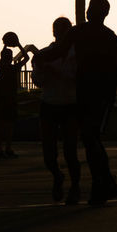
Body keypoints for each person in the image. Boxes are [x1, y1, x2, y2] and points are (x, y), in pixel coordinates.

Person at [71, 0, 117, 205]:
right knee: (91, 140)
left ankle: (102, 183)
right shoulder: (109, 38)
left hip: (94, 96)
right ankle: (103, 183)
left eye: (91, 8)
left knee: (91, 139)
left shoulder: (88, 34)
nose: (88, 11)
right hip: (92, 95)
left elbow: (59, 50)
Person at [32, 16, 82, 203]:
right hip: (49, 104)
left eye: (64, 30)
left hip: (70, 105)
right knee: (48, 154)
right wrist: (43, 71)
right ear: (53, 32)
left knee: (70, 151)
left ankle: (75, 187)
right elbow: (37, 81)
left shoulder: (77, 55)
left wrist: (58, 73)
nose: (60, 34)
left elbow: (78, 78)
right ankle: (57, 175)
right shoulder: (45, 54)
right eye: (58, 30)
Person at [0, 36, 34, 158]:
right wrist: (19, 45)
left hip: (1, 98)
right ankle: (8, 148)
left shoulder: (0, 67)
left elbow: (3, 56)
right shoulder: (13, 68)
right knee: (9, 125)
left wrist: (5, 44)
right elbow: (27, 57)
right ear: (11, 58)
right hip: (11, 98)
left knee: (1, 124)